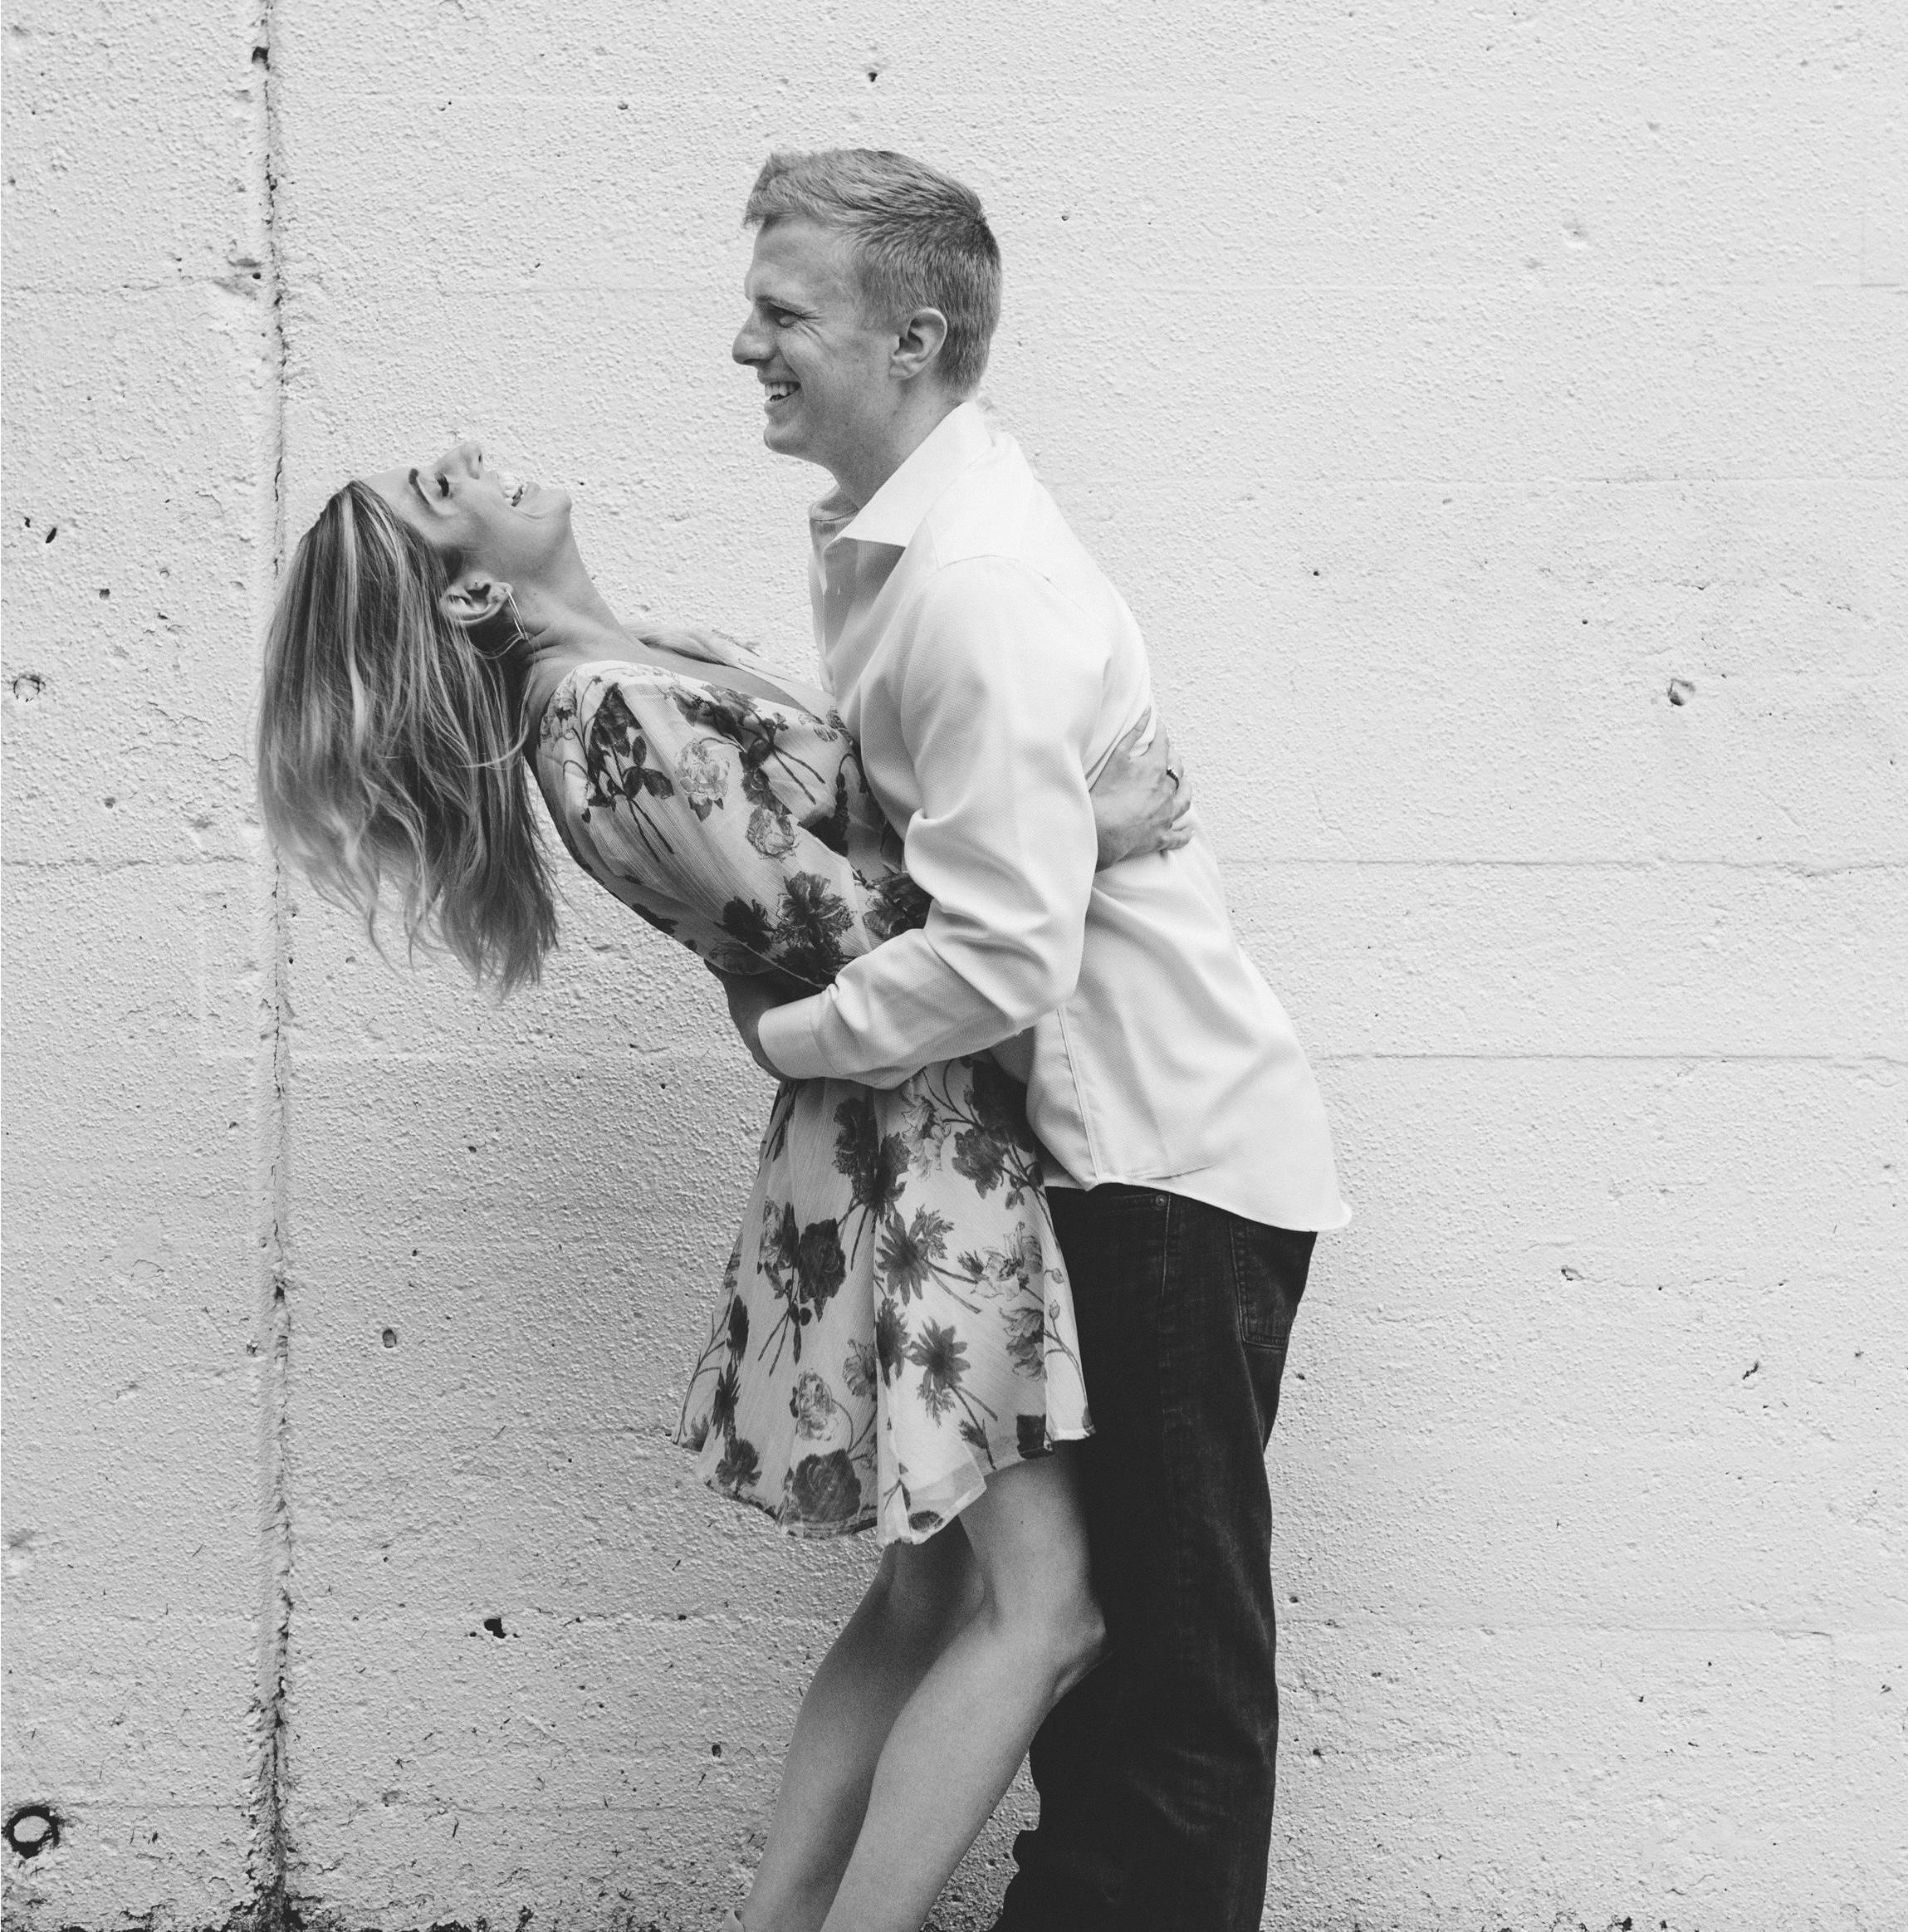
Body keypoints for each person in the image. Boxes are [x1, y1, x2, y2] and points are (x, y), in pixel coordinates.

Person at [254, 442, 1191, 1930]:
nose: (468, 461)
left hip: (904, 1131)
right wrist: (1086, 831)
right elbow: (867, 939)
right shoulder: (601, 716)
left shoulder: (641, 663)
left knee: (933, 1597)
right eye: (440, 494)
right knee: (1047, 1611)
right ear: (472, 594)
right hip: (919, 1154)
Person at [715, 149, 1349, 1932]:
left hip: (1159, 1159)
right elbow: (970, 869)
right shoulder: (895, 553)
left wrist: (798, 1034)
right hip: (1094, 1153)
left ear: (912, 338)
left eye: (783, 311)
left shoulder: (971, 583)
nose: (746, 343)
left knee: (1169, 1691)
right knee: (1105, 1660)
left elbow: (1001, 951)